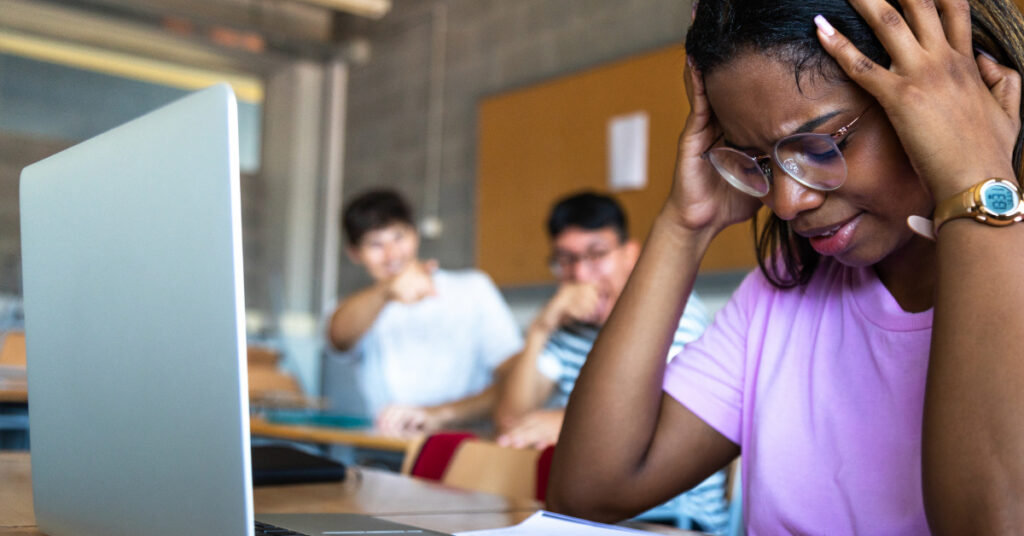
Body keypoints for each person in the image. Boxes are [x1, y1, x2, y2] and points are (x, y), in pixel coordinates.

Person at [548, 0, 1024, 533]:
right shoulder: (785, 289)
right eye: (759, 162)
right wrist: (686, 225)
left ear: (955, 99)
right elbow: (590, 490)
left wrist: (977, 180)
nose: (786, 201)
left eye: (823, 144)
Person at [494, 191, 728, 533]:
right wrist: (541, 327)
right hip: (584, 513)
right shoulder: (568, 325)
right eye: (566, 259)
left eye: (596, 255)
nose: (581, 274)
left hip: (672, 516)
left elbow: (663, 424)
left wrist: (570, 424)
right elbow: (511, 420)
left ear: (630, 255)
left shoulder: (671, 314)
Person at [324, 189, 523, 436]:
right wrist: (387, 290)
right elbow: (338, 337)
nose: (392, 254)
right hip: (386, 447)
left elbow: (516, 378)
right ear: (355, 253)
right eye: (375, 244)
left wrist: (438, 415)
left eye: (399, 237)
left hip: (464, 447)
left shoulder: (473, 288)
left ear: (415, 235)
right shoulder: (358, 308)